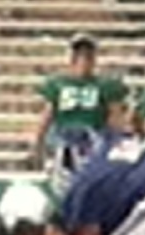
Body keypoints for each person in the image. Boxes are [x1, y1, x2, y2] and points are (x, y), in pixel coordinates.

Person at [30, 34, 129, 166]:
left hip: (93, 137)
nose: (83, 60)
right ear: (71, 57)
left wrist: (117, 142)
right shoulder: (58, 83)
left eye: (87, 55)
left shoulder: (105, 85)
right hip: (63, 137)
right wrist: (37, 142)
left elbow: (115, 117)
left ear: (94, 58)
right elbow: (47, 115)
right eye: (78, 55)